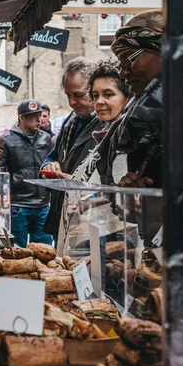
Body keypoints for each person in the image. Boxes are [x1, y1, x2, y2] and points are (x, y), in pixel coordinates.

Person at [96, 9, 183, 189]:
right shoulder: (147, 111)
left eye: (128, 59)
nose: (123, 71)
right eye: (121, 64)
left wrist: (151, 200)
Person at [58, 62, 130, 254]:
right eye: (95, 95)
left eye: (108, 94)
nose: (99, 102)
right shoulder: (105, 136)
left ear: (127, 96)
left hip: (118, 242)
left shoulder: (130, 140)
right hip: (92, 236)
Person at [41, 57, 104, 238]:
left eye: (78, 95)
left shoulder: (107, 124)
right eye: (68, 95)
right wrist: (49, 165)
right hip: (63, 214)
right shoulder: (70, 121)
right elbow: (53, 156)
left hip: (89, 221)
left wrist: (79, 185)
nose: (72, 102)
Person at [0, 99, 53, 248]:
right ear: (21, 117)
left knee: (45, 251)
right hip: (18, 206)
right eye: (33, 116)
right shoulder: (6, 140)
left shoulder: (46, 139)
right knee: (18, 251)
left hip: (43, 204)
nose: (39, 119)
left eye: (40, 115)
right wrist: (1, 207)